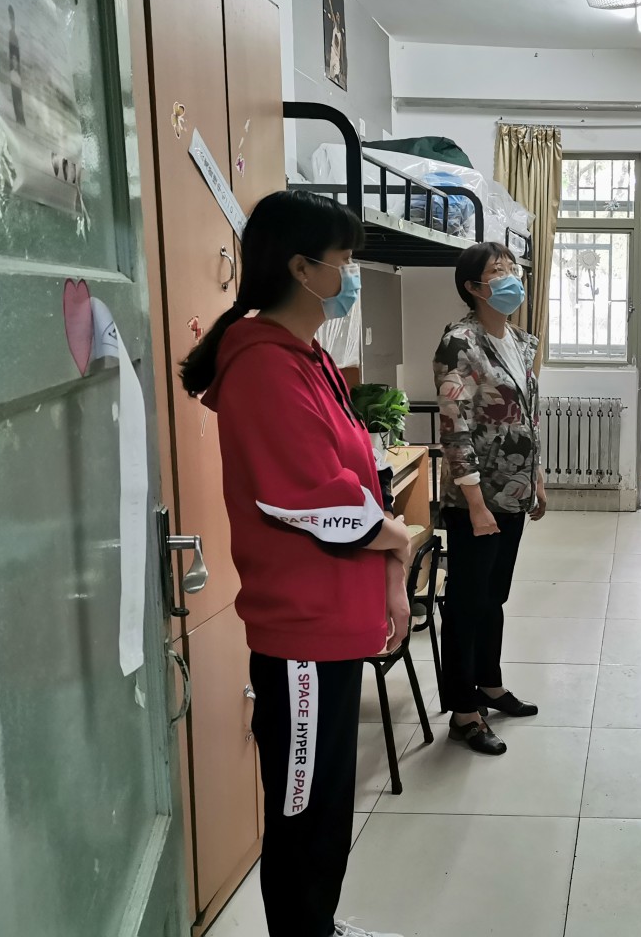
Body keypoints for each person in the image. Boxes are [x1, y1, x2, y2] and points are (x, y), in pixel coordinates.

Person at [181, 190, 411, 937]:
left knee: (326, 803)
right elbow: (314, 498)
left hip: (333, 622)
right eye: (344, 262)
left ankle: (318, 925)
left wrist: (389, 564)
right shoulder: (263, 369)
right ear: (301, 269)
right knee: (303, 807)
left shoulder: (308, 359)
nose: (351, 277)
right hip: (301, 637)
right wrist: (396, 539)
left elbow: (356, 476)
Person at [434, 242, 547, 756]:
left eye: (512, 268)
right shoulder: (460, 343)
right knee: (466, 602)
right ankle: (463, 712)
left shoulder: (519, 341)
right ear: (473, 287)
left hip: (513, 492)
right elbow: (454, 429)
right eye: (497, 271)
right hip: (475, 499)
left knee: (493, 597)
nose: (510, 278)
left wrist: (536, 477)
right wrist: (475, 503)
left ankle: (490, 684)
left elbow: (529, 417)